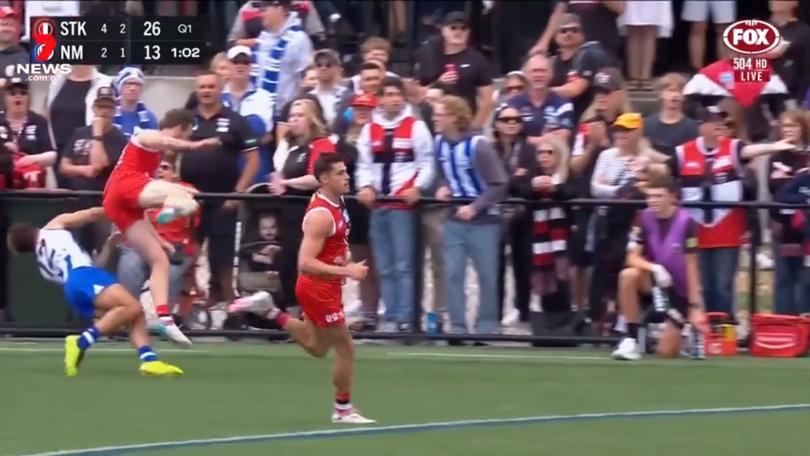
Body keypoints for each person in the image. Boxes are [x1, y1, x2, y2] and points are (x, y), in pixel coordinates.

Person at [229, 153, 376, 424]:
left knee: (317, 348)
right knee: (346, 349)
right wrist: (347, 271)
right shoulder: (320, 215)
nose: (347, 177)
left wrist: (347, 260)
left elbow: (335, 244)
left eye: (346, 172)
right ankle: (342, 410)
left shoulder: (337, 202)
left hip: (326, 287)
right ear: (325, 180)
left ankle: (270, 311)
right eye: (341, 173)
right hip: (317, 288)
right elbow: (305, 263)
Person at [6, 208, 183, 377]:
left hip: (74, 288)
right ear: (31, 228)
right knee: (132, 306)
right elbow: (91, 214)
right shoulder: (53, 226)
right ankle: (81, 342)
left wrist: (108, 245)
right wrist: (118, 211)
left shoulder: (43, 267)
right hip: (84, 278)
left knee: (134, 314)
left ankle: (149, 360)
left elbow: (93, 267)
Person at [99, 109, 221, 346]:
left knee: (160, 259)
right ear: (181, 128)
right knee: (185, 196)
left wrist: (159, 239)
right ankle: (171, 208)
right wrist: (196, 146)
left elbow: (141, 207)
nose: (184, 140)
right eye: (186, 134)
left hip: (121, 204)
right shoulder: (147, 135)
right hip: (124, 186)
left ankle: (164, 319)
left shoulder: (153, 159)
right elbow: (163, 140)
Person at [356, 76, 434, 332]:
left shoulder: (416, 127)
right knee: (384, 265)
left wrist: (418, 187)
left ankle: (407, 318)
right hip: (379, 205)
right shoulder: (370, 129)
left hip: (403, 204)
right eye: (388, 94)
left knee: (404, 265)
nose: (394, 99)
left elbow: (427, 162)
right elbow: (364, 165)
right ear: (379, 99)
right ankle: (390, 316)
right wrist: (365, 186)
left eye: (397, 94)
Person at [434, 95, 508, 338]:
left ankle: (486, 327)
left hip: (483, 221)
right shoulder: (439, 143)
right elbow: (443, 173)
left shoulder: (479, 145)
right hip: (454, 217)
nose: (435, 118)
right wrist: (443, 186)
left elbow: (499, 183)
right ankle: (457, 326)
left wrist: (476, 207)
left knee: (487, 274)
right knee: (453, 273)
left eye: (440, 114)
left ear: (454, 117)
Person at [612, 174, 709, 360]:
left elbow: (692, 266)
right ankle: (632, 339)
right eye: (650, 196)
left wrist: (695, 306)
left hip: (679, 291)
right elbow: (632, 257)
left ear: (672, 197)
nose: (653, 201)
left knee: (665, 353)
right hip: (656, 281)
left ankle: (687, 334)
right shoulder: (642, 218)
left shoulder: (687, 223)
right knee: (627, 275)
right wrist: (654, 268)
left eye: (658, 196)